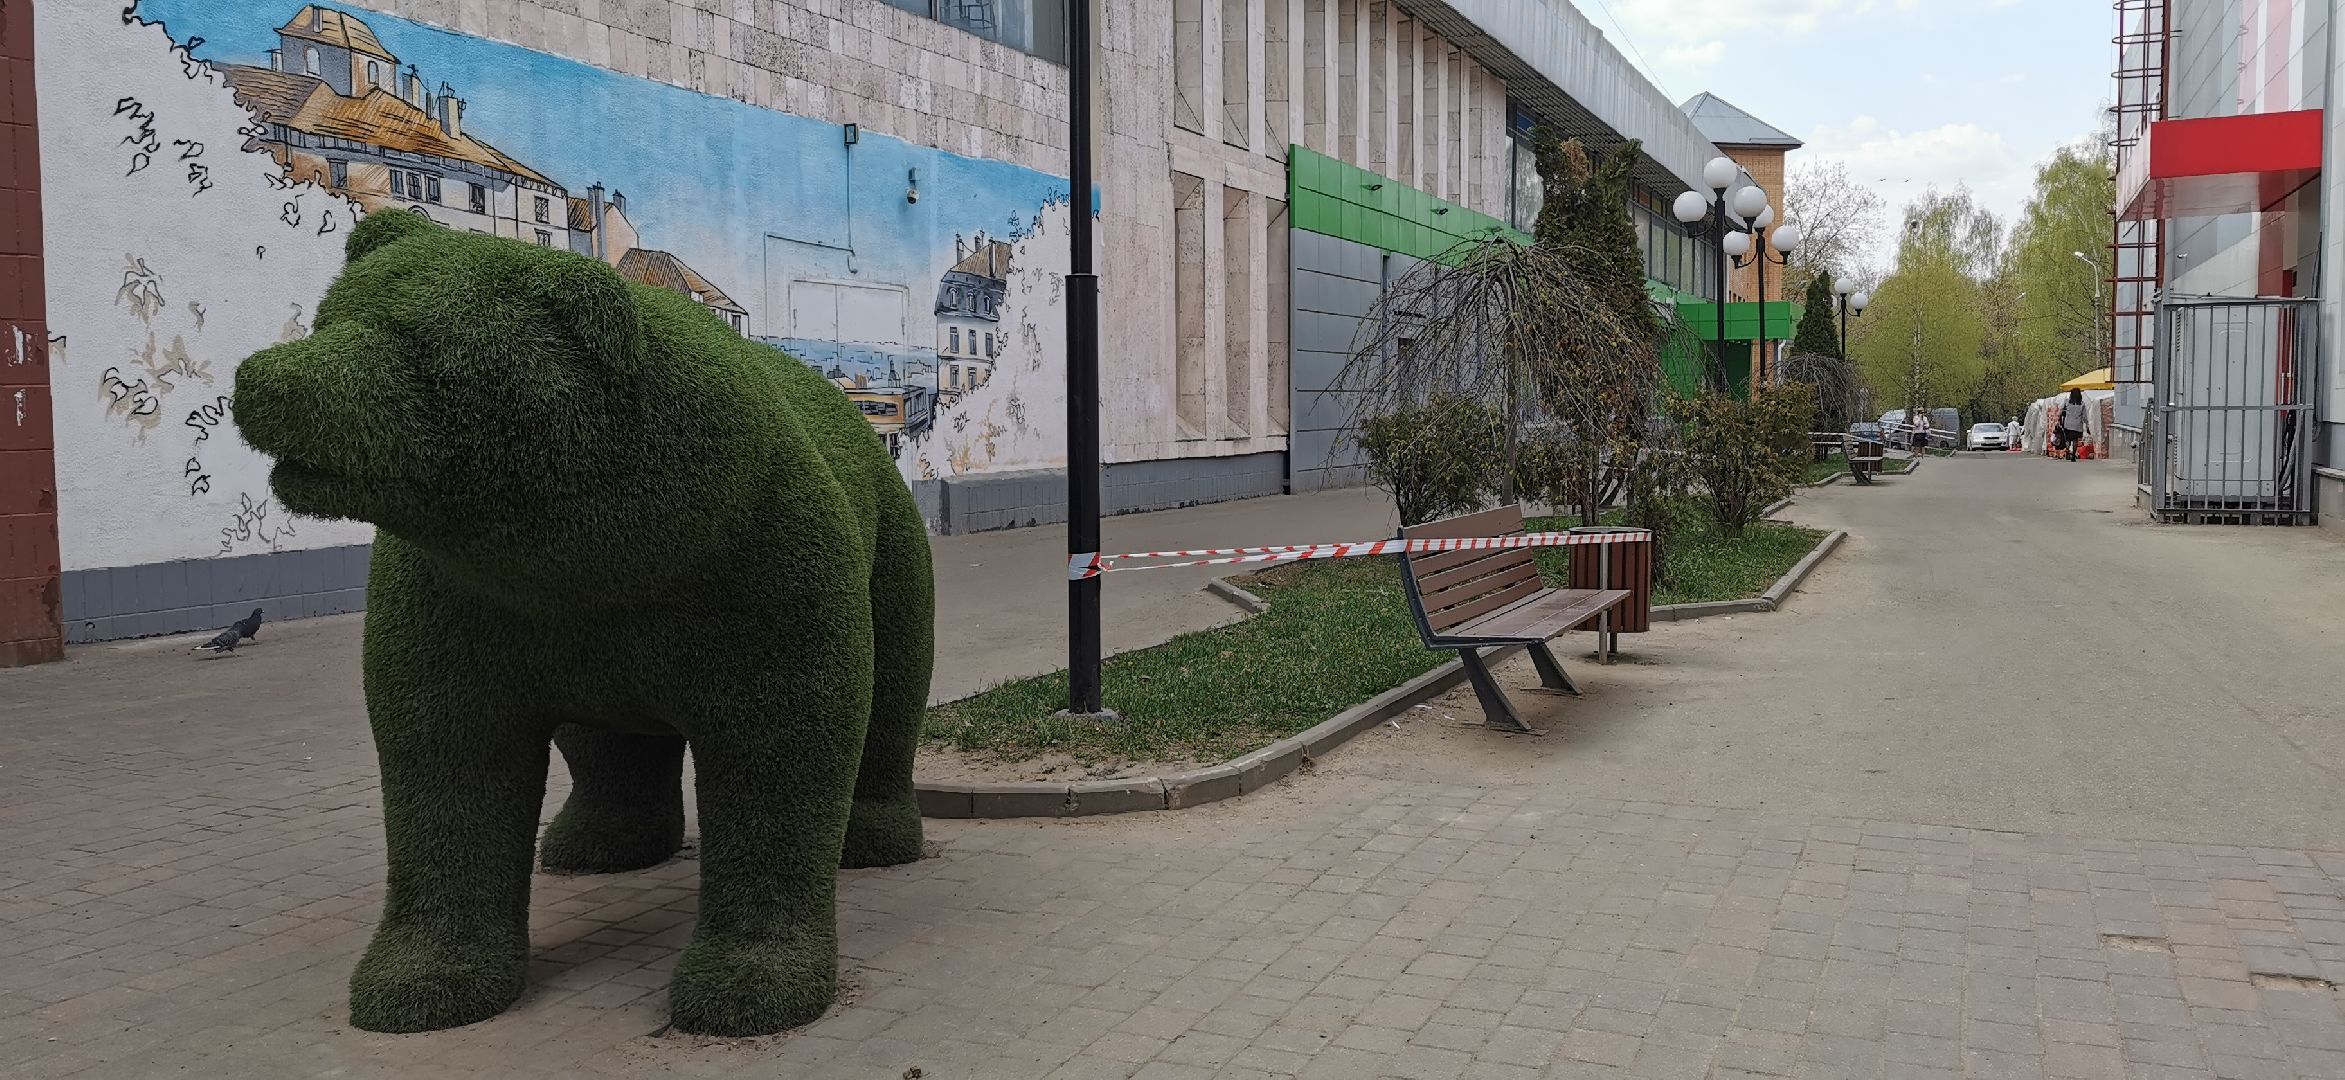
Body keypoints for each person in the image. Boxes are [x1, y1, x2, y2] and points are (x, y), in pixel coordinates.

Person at [2058, 389, 2088, 461]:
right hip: (2077, 425)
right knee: (2075, 440)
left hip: (2068, 424)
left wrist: (2059, 419)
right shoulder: (2082, 404)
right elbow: (2084, 416)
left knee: (2068, 439)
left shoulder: (2067, 402)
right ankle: (2073, 455)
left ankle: (2067, 451)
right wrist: (2087, 425)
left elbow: (2061, 411)